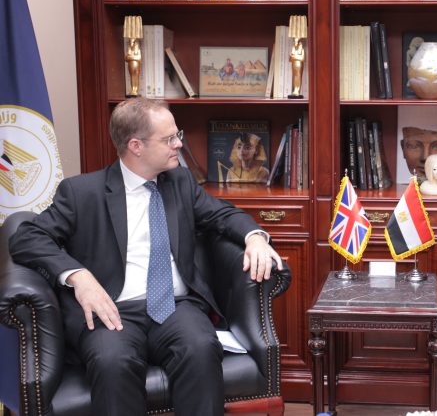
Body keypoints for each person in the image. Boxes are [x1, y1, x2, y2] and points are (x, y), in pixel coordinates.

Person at [9, 98, 283, 416]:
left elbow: (223, 214)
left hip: (177, 307)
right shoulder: (82, 193)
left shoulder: (181, 183)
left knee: (201, 347)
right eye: (169, 139)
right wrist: (77, 275)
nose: (179, 144)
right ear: (136, 146)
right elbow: (26, 237)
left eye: (177, 135)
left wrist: (255, 237)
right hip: (112, 310)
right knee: (113, 362)